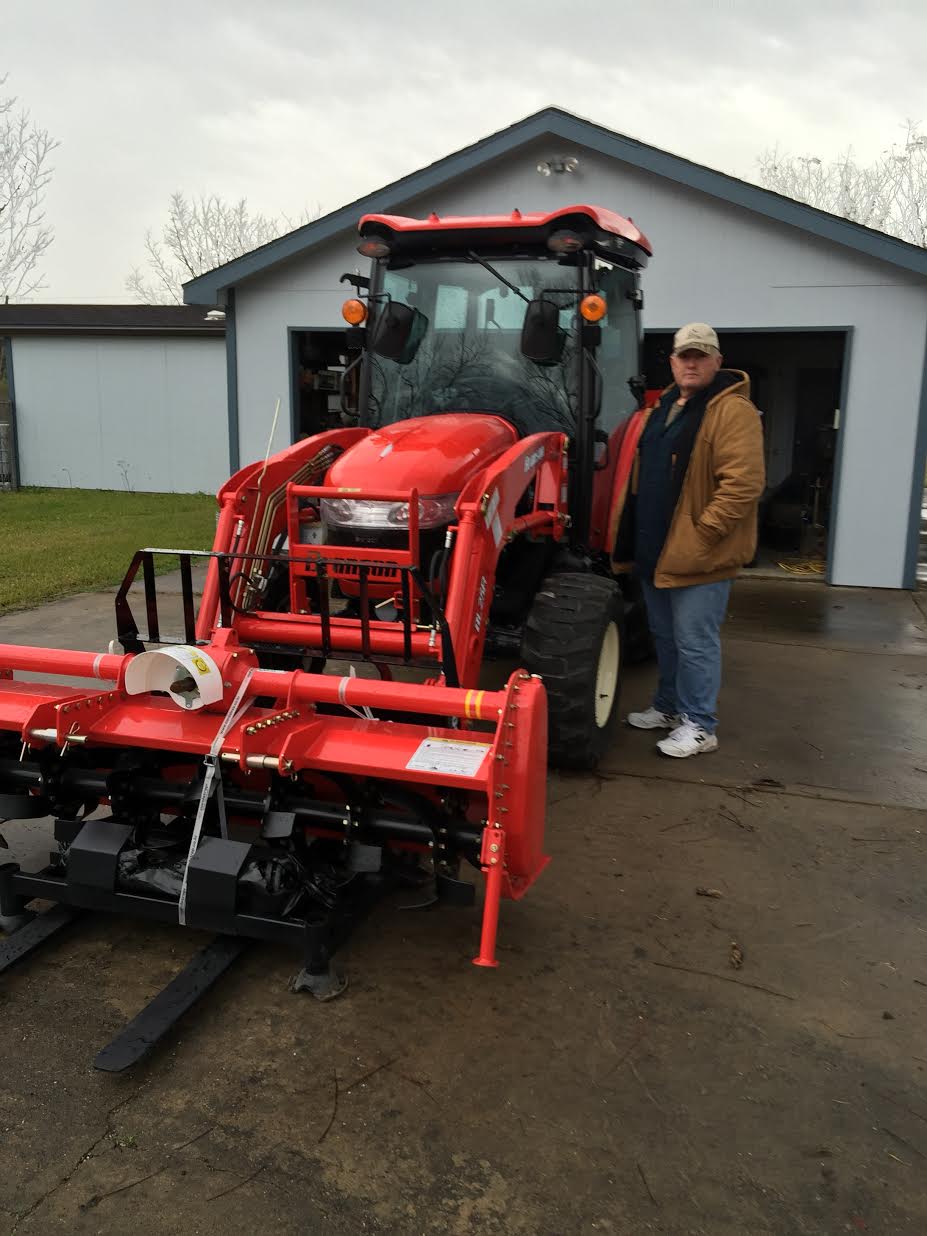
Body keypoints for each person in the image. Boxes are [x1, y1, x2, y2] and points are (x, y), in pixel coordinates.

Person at [616, 323, 765, 757]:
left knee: (695, 641)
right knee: (664, 636)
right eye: (685, 355)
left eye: (701, 355)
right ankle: (667, 707)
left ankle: (700, 724)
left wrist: (706, 533)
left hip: (698, 553)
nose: (692, 363)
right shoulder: (661, 409)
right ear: (673, 361)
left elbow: (744, 483)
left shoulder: (731, 410)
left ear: (718, 362)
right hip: (656, 549)